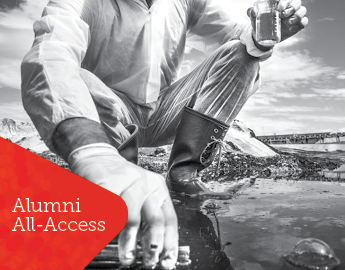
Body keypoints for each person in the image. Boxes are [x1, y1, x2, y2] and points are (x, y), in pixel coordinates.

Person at [21, 0, 308, 268]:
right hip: (111, 115)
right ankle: (118, 176)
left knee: (241, 54)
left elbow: (240, 33)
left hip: (164, 110)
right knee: (79, 76)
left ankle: (184, 175)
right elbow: (50, 54)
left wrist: (261, 35)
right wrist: (93, 155)